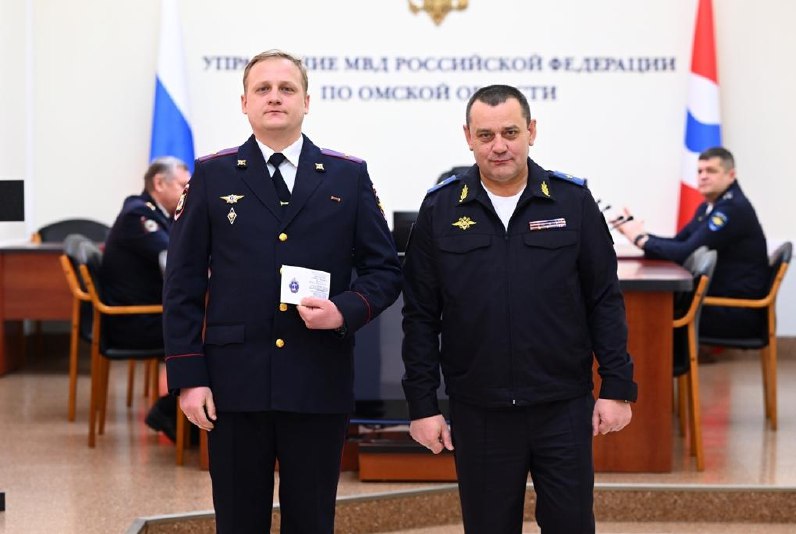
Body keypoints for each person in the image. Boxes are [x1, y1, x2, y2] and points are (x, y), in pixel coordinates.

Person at [162, 49, 402, 534]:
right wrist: (189, 378)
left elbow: (385, 270)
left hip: (317, 377)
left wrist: (344, 310)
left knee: (312, 519)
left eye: (287, 89)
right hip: (233, 383)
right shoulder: (212, 175)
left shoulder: (347, 175)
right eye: (263, 89)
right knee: (238, 520)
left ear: (306, 101)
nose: (275, 97)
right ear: (245, 103)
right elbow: (182, 283)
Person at [401, 84, 637, 534]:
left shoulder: (572, 201)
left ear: (531, 131)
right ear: (468, 138)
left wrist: (617, 386)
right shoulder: (440, 208)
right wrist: (422, 405)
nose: (499, 146)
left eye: (510, 132)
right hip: (480, 409)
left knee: (571, 526)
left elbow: (604, 299)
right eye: (485, 135)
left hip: (562, 404)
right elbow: (420, 316)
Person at [615, 147, 769, 339]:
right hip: (716, 302)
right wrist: (641, 235)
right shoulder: (709, 206)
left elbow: (684, 252)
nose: (703, 176)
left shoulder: (732, 209)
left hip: (736, 311)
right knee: (647, 309)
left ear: (731, 175)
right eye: (699, 171)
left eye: (711, 171)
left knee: (650, 313)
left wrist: (640, 239)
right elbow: (679, 242)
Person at [99, 156, 190, 441]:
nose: (188, 193)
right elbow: (174, 260)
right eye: (183, 186)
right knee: (208, 335)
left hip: (148, 314)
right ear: (159, 183)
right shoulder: (138, 216)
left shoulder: (156, 214)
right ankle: (170, 412)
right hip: (134, 322)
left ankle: (182, 417)